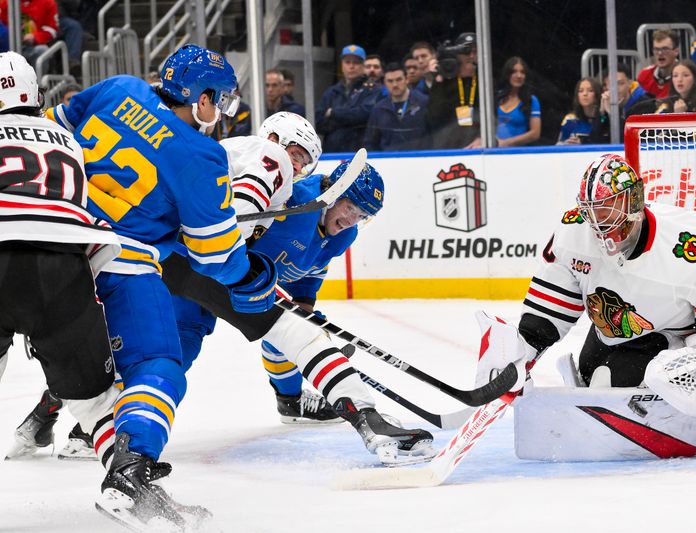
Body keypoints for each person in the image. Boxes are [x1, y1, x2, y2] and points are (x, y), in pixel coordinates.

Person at [47, 43, 279, 530]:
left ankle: (124, 472)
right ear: (199, 97)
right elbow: (215, 257)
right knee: (158, 368)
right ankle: (129, 475)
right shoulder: (202, 154)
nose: (222, 110)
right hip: (117, 263)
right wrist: (252, 275)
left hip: (52, 245)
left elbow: (50, 134)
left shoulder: (118, 88)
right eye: (220, 98)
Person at [159, 156, 436, 464]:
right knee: (177, 349)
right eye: (350, 208)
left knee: (295, 327)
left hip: (248, 284)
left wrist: (305, 304)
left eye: (362, 215)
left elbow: (312, 271)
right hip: (210, 269)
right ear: (334, 191)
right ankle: (115, 417)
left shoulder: (345, 233)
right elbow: (237, 222)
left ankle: (291, 401)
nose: (353, 219)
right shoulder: (293, 199)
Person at [516, 153, 696, 434]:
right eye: (592, 210)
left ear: (634, 200)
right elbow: (545, 315)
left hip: (671, 347)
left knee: (614, 381)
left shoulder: (694, 246)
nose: (599, 222)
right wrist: (517, 356)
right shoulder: (573, 231)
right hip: (605, 341)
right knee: (594, 376)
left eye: (609, 208)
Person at [0, 50, 120, 493]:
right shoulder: (65, 138)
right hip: (63, 261)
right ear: (34, 91)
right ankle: (128, 482)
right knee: (96, 401)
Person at [315, 44, 381, 153]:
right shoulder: (332, 92)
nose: (351, 66)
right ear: (342, 65)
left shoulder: (372, 90)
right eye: (347, 62)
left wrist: (333, 113)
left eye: (356, 62)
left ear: (363, 66)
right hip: (332, 153)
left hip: (360, 153)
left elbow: (364, 115)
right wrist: (349, 119)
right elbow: (318, 121)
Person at [427, 32, 482, 149]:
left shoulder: (484, 80)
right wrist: (438, 79)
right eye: (467, 51)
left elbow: (493, 116)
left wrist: (482, 137)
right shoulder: (446, 79)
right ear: (456, 54)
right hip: (448, 146)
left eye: (475, 51)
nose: (471, 56)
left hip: (477, 146)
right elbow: (434, 116)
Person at [364, 62, 429, 151]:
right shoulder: (378, 109)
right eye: (390, 81)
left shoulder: (424, 102)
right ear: (385, 83)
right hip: (388, 161)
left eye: (398, 80)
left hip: (420, 159)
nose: (395, 85)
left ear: (407, 79)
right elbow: (370, 142)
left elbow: (434, 134)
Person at [495, 56, 541, 147]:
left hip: (517, 154)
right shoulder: (496, 97)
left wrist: (506, 143)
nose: (519, 76)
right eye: (514, 71)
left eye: (522, 72)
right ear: (507, 74)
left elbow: (535, 133)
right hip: (493, 152)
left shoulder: (531, 100)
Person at [0, 0, 59, 66]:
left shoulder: (48, 2)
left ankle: (36, 76)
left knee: (42, 50)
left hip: (31, 47)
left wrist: (35, 37)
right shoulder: (5, 2)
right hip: (7, 46)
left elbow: (52, 30)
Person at [556, 77, 608, 145]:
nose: (585, 94)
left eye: (590, 90)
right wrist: (567, 144)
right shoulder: (571, 120)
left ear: (597, 94)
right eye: (580, 91)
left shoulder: (603, 118)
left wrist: (583, 143)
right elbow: (559, 146)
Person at [637, 29, 680, 99]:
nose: (660, 53)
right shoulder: (644, 76)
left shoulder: (685, 77)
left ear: (676, 51)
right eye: (656, 49)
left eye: (665, 49)